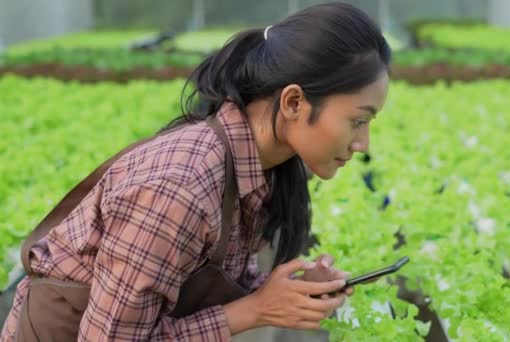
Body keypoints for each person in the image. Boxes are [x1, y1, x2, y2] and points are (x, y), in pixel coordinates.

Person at [1, 2, 390, 341]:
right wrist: (253, 310)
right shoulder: (178, 189)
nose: (364, 144)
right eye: (358, 121)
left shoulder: (261, 166)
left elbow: (201, 275)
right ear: (292, 102)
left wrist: (288, 292)